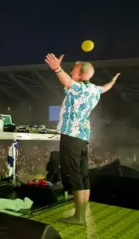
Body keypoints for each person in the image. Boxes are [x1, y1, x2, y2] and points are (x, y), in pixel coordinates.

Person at [45, 54, 120, 225]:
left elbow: (66, 81)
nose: (71, 71)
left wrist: (57, 68)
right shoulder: (94, 89)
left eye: (75, 70)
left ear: (82, 75)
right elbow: (105, 88)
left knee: (74, 175)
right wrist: (113, 81)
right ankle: (82, 214)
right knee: (83, 174)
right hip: (83, 136)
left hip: (71, 136)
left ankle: (78, 217)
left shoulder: (79, 88)